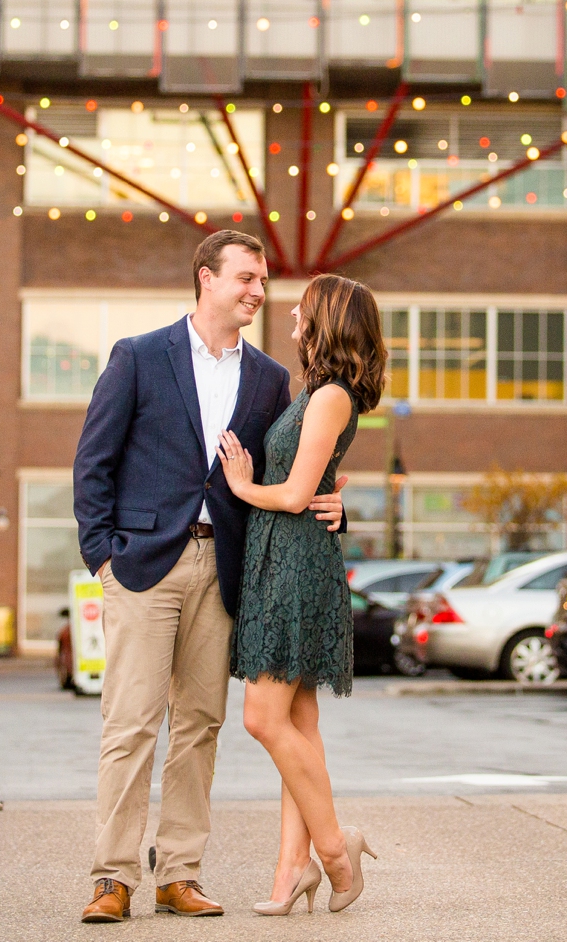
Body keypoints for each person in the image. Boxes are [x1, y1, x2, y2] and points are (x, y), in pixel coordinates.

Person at [72, 231, 346, 924]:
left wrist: (336, 501)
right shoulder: (138, 356)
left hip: (226, 569)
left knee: (200, 724)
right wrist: (103, 555)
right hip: (141, 566)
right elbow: (92, 462)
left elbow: (291, 469)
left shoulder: (267, 378)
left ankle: (180, 873)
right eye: (247, 278)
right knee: (130, 723)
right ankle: (113, 876)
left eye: (261, 281)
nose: (258, 291)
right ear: (207, 278)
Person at [217, 273, 387, 915]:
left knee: (262, 717)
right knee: (298, 722)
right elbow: (310, 488)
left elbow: (292, 496)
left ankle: (337, 849)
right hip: (277, 559)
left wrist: (241, 484)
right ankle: (292, 871)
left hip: (295, 566)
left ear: (328, 321)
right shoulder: (314, 392)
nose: (291, 311)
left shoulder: (333, 397)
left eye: (303, 307)